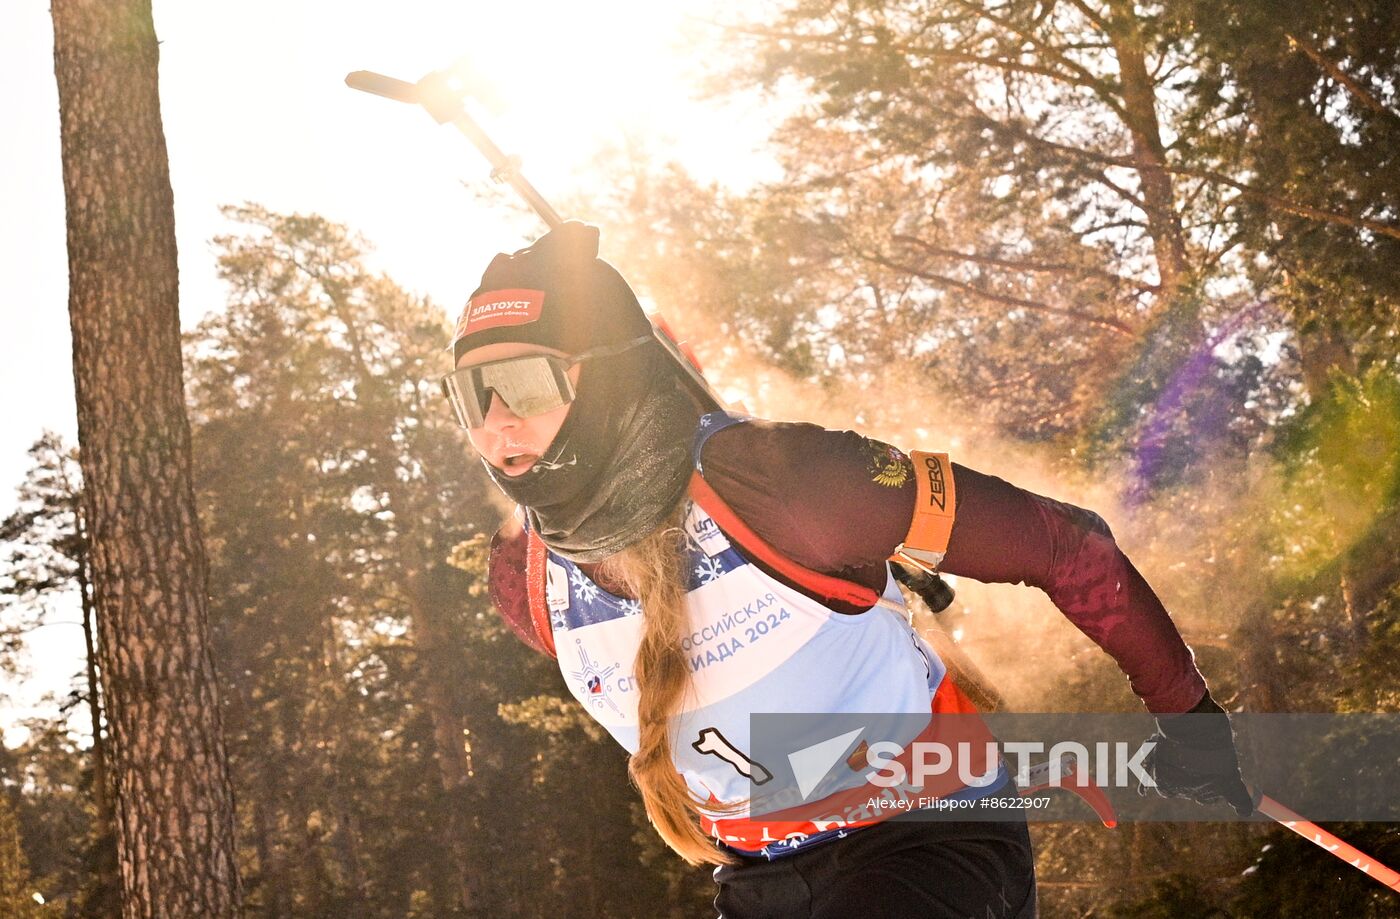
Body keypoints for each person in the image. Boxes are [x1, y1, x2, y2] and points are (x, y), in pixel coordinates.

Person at [443, 221, 1253, 919]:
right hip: (762, 882)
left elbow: (1067, 545)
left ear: (615, 377)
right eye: (470, 394)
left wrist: (1187, 715)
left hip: (929, 844)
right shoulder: (528, 584)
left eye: (522, 381)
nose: (496, 423)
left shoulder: (789, 483)